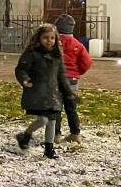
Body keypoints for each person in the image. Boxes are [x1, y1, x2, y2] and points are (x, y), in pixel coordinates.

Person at [15, 23, 76, 160]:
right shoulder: (32, 53)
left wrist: (68, 92)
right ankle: (26, 135)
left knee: (52, 121)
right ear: (39, 39)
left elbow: (61, 75)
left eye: (52, 38)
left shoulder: (56, 56)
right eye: (45, 38)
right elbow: (21, 69)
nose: (49, 41)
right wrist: (25, 79)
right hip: (37, 93)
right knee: (43, 119)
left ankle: (49, 149)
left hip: (53, 94)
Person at [54, 14, 91, 146]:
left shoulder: (54, 43)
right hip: (72, 80)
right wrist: (77, 72)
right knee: (71, 108)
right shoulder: (78, 45)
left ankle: (55, 134)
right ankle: (75, 133)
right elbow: (87, 62)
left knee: (55, 108)